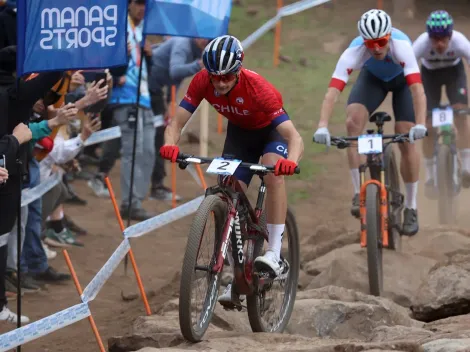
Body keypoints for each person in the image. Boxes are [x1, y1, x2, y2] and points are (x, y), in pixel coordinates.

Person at [160, 35, 304, 306]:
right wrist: (170, 144)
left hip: (271, 134)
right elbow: (175, 123)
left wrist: (291, 161)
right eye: (216, 77)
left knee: (273, 173)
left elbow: (295, 137)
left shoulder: (259, 88)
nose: (221, 82)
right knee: (226, 188)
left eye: (227, 76)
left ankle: (274, 251)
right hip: (240, 135)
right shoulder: (202, 80)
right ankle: (238, 274)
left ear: (238, 70)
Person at [313, 9, 427, 236]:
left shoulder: (402, 47)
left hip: (402, 82)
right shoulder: (354, 51)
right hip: (373, 80)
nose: (375, 48)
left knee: (405, 133)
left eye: (381, 42)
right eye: (370, 43)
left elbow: (417, 90)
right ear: (363, 41)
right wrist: (322, 126)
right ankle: (358, 192)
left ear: (389, 37)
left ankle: (411, 207)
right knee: (353, 123)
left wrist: (421, 124)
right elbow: (332, 93)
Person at [413, 10, 470, 195]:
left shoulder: (460, 42)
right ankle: (430, 176)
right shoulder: (421, 44)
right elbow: (408, 70)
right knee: (427, 126)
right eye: (434, 39)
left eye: (443, 39)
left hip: (455, 74)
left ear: (450, 35)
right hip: (429, 77)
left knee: (461, 116)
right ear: (428, 37)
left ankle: (466, 167)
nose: (438, 44)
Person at [147, 36, 210, 201]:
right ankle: (157, 186)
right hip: (146, 85)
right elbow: (175, 71)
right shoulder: (183, 45)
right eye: (204, 37)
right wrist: (198, 65)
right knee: (160, 135)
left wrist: (169, 103)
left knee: (157, 132)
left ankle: (157, 184)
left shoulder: (195, 50)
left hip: (154, 87)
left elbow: (175, 80)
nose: (206, 41)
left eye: (209, 39)